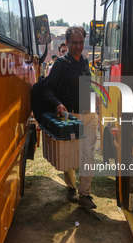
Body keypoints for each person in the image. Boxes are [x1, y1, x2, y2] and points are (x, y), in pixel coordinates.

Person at [42, 27, 98, 209]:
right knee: (70, 156)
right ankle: (71, 186)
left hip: (89, 116)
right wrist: (57, 103)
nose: (78, 46)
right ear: (67, 43)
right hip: (71, 117)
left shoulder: (85, 62)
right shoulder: (60, 64)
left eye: (81, 42)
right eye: (74, 43)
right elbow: (47, 88)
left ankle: (85, 194)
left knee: (88, 155)